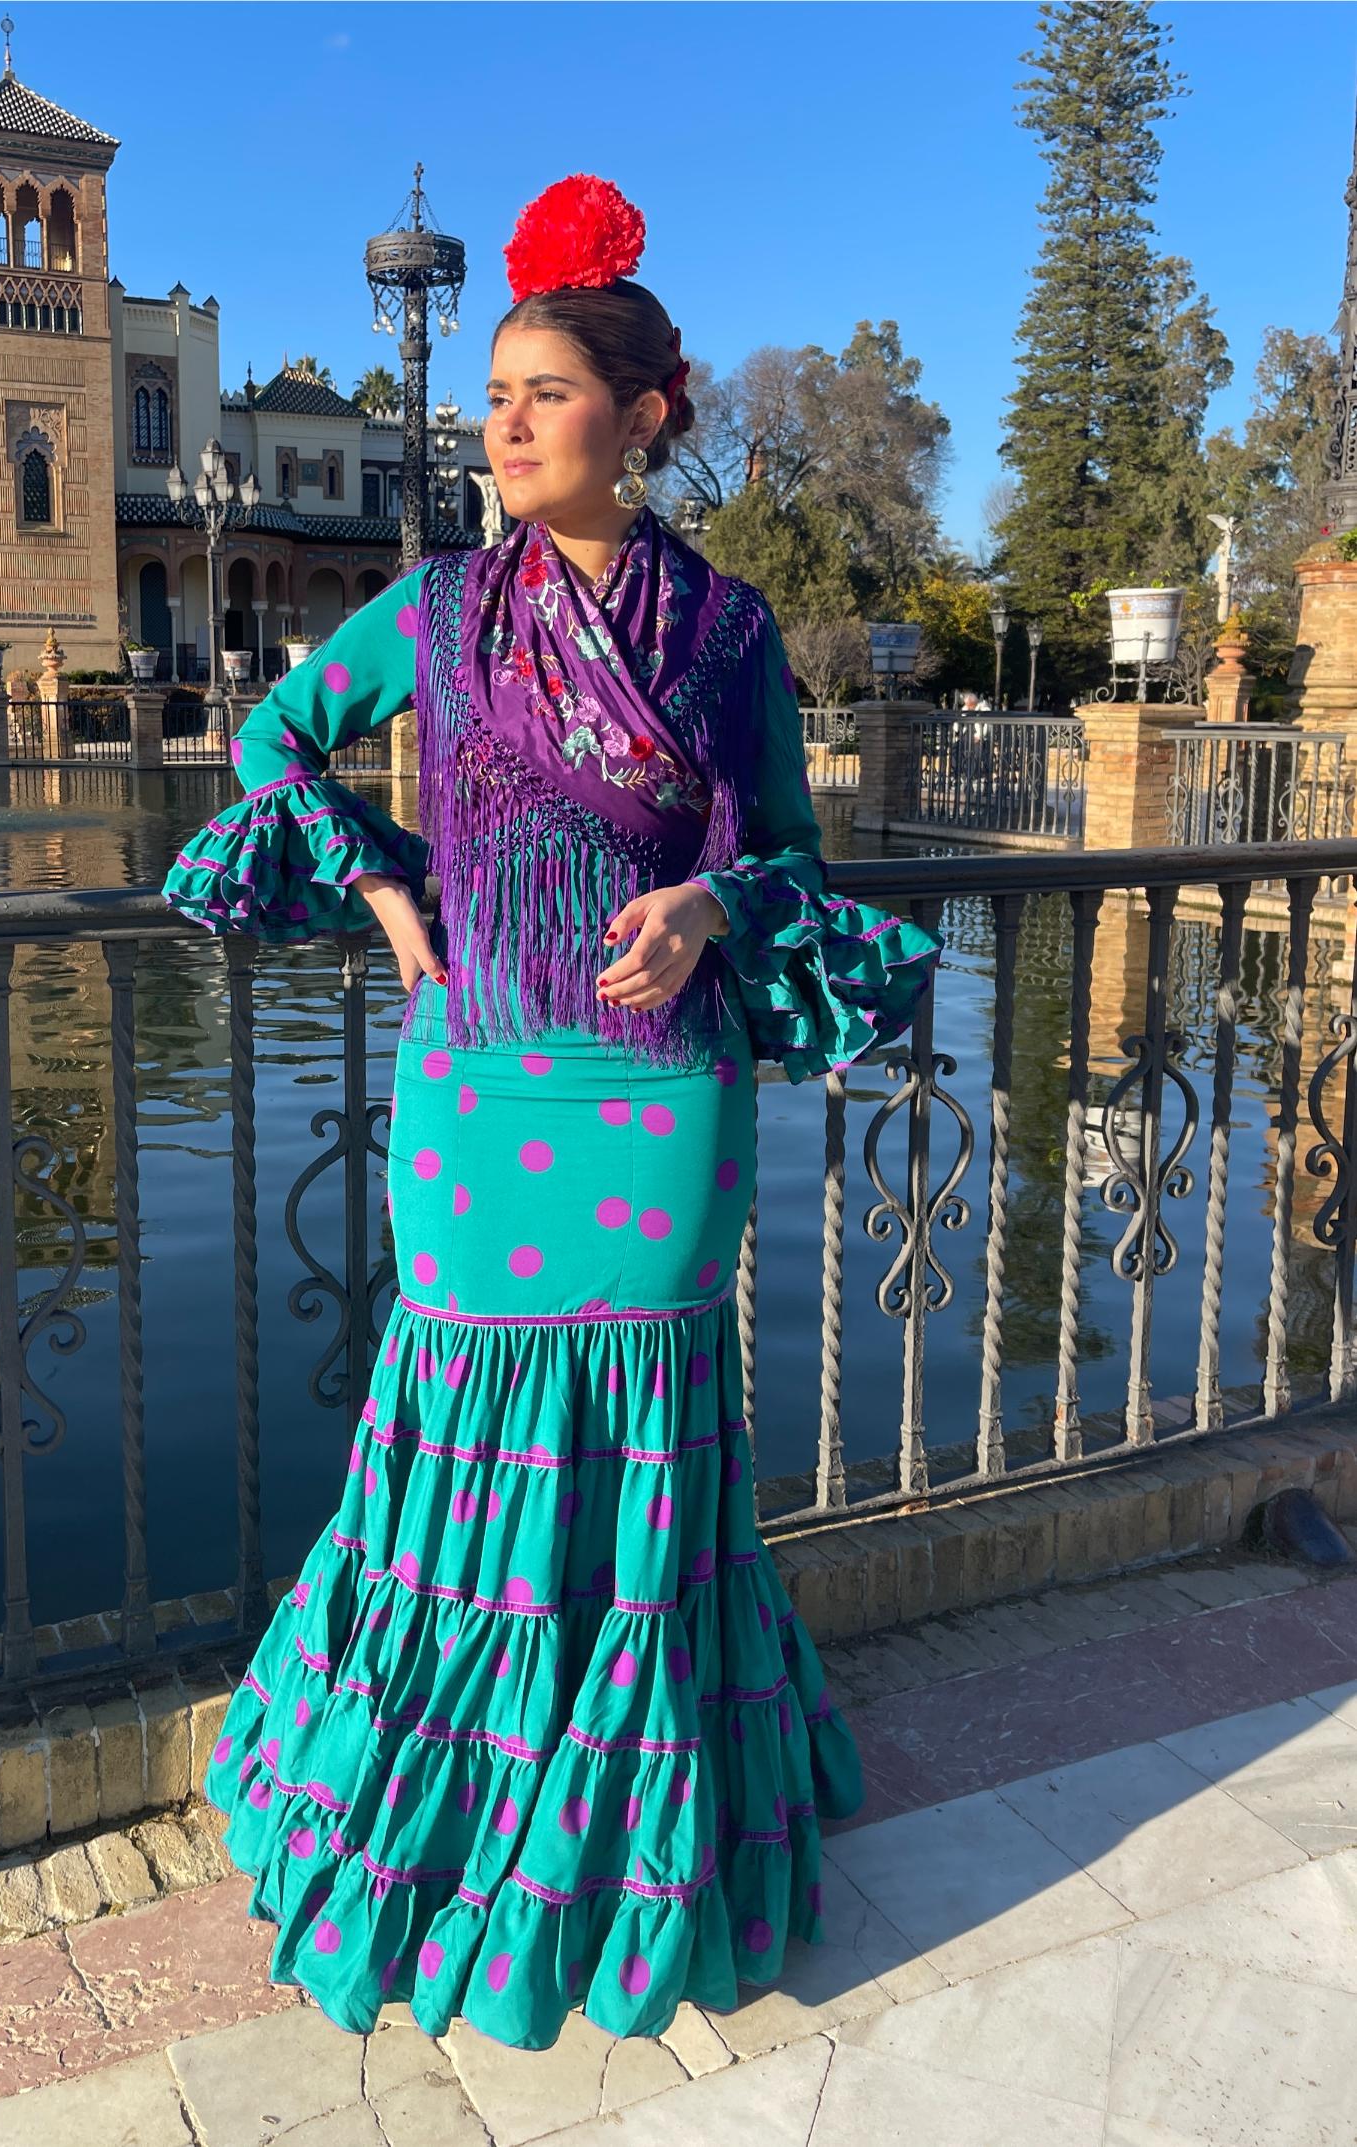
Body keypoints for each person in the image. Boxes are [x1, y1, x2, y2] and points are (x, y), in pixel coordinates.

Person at [163, 174, 942, 2053]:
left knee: (649, 1430)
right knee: (460, 1431)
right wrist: (380, 882)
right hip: (478, 1074)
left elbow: (792, 851)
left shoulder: (727, 631)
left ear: (641, 415)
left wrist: (709, 907)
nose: (501, 428)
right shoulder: (434, 610)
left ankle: (627, 1846)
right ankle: (441, 1830)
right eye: (493, 398)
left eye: (542, 395)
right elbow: (273, 738)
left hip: (660, 1096)